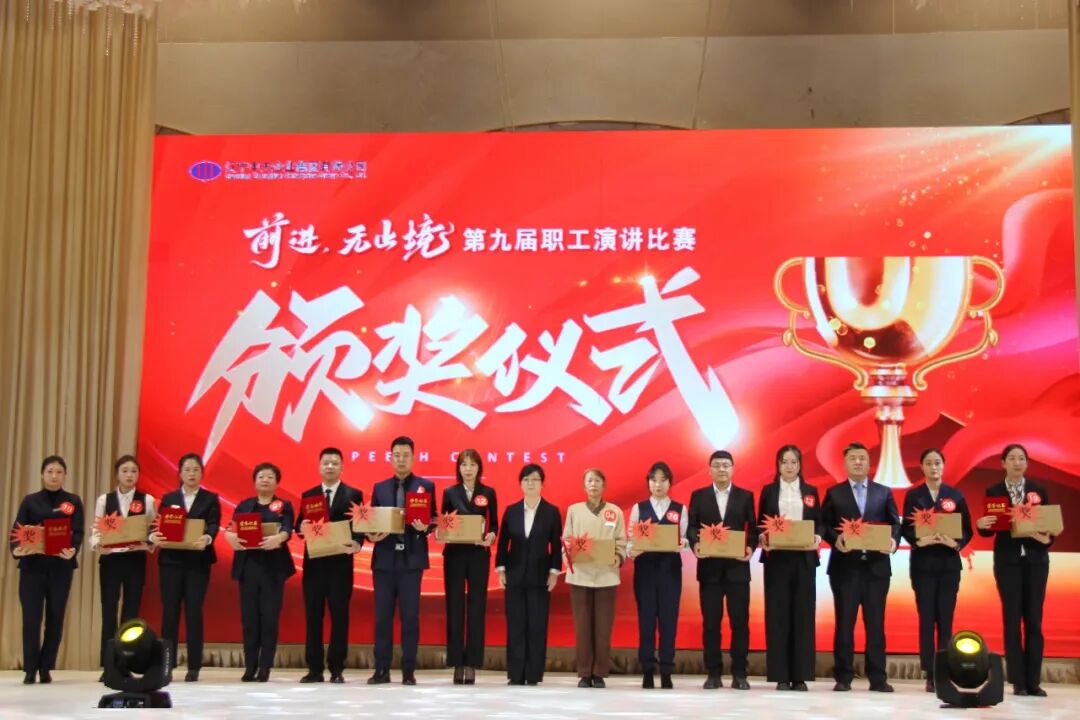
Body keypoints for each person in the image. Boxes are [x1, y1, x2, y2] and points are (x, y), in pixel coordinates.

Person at [975, 443, 1055, 697]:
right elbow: (989, 529)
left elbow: (1050, 527)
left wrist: (1047, 538)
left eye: (1021, 458)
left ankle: (1034, 681)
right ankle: (1018, 681)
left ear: (1027, 463)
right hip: (1007, 562)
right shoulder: (994, 491)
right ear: (1003, 463)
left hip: (1036, 562)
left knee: (1034, 620)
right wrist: (981, 525)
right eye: (1012, 458)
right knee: (1011, 619)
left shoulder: (1038, 491)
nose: (1017, 462)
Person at [821, 442, 900, 693]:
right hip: (845, 568)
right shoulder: (835, 493)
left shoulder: (883, 492)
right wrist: (836, 539)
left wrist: (893, 541)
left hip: (877, 569)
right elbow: (823, 525)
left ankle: (878, 677)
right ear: (845, 463)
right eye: (853, 458)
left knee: (876, 624)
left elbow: (895, 524)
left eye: (862, 458)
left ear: (869, 462)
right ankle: (843, 676)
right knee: (845, 623)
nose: (858, 462)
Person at [901, 448, 973, 692]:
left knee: (945, 619)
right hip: (923, 565)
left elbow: (967, 529)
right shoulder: (914, 496)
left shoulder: (955, 495)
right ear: (922, 467)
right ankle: (929, 672)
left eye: (938, 463)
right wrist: (918, 540)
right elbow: (906, 528)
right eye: (929, 463)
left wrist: (955, 543)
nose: (934, 467)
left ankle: (944, 670)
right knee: (926, 618)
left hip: (948, 565)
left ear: (943, 466)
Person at [366, 436, 436, 686]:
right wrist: (372, 534)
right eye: (397, 455)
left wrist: (426, 527)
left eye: (406, 455)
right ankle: (381, 669)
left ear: (413, 458)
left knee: (410, 617)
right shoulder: (380, 488)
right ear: (391, 458)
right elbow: (371, 521)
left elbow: (433, 518)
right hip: (384, 561)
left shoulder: (425, 486)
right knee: (382, 617)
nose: (401, 459)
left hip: (412, 560)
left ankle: (408, 670)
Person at [9, 455, 84, 685]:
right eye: (50, 471)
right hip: (32, 568)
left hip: (60, 568)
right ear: (42, 474)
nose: (54, 476)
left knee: (55, 618)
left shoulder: (73, 501)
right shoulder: (30, 501)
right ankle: (30, 669)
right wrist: (17, 549)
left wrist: (73, 549)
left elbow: (78, 531)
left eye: (59, 472)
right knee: (31, 619)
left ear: (65, 475)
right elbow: (17, 531)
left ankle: (45, 667)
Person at [687, 450, 758, 690]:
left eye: (726, 465)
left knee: (740, 624)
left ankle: (740, 674)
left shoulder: (745, 496)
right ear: (709, 470)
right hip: (710, 569)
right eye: (717, 465)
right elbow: (692, 527)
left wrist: (750, 547)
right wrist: (695, 544)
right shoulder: (699, 496)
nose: (721, 469)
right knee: (711, 624)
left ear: (733, 469)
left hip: (738, 569)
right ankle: (713, 673)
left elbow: (753, 528)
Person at [148, 452, 221, 682]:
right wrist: (154, 536)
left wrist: (207, 538)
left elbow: (213, 524)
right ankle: (166, 664)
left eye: (196, 469)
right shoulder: (169, 498)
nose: (191, 473)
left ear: (202, 473)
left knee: (194, 611)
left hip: (197, 562)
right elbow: (157, 526)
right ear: (179, 473)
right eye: (187, 469)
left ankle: (194, 666)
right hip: (171, 562)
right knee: (170, 612)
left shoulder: (210, 498)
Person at [294, 447, 364, 683]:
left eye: (334, 463)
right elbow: (299, 527)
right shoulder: (309, 495)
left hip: (340, 566)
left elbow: (360, 527)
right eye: (326, 463)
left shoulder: (354, 494)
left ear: (342, 467)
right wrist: (301, 528)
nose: (330, 467)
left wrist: (357, 543)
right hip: (314, 566)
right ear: (319, 466)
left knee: (340, 617)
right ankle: (314, 669)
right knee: (313, 617)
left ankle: (336, 668)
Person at [756, 445, 822, 691]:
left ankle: (800, 676)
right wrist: (762, 537)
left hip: (804, 559)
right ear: (778, 465)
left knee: (803, 616)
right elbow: (760, 523)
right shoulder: (769, 491)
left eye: (794, 462)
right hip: (777, 560)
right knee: (778, 616)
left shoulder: (811, 492)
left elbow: (820, 523)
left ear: (800, 465)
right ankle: (781, 675)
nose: (789, 466)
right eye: (785, 461)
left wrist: (817, 537)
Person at [225, 462, 296, 682]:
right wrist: (230, 537)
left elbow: (287, 528)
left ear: (277, 482)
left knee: (269, 618)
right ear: (254, 481)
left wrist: (279, 538)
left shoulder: (284, 506)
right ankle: (250, 666)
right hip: (248, 567)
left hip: (273, 568)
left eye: (270, 477)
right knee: (249, 619)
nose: (265, 480)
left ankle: (265, 667)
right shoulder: (245, 505)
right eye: (261, 477)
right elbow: (230, 528)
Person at [495, 463, 562, 686]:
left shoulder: (551, 512)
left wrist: (554, 573)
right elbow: (503, 543)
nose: (530, 483)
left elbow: (556, 546)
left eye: (535, 480)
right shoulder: (511, 511)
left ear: (542, 484)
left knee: (536, 626)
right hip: (514, 575)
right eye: (526, 479)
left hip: (540, 577)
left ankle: (533, 674)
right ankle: (515, 673)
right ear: (520, 484)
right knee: (516, 625)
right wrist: (501, 569)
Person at [89, 455, 156, 678]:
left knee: (131, 613)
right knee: (108, 612)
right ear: (117, 474)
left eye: (133, 471)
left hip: (135, 560)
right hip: (111, 560)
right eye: (125, 471)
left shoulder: (147, 500)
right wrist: (97, 544)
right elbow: (96, 529)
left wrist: (149, 542)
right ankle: (108, 665)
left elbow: (153, 529)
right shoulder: (104, 500)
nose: (129, 475)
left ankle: (126, 664)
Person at [563, 468, 627, 688]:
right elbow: (566, 540)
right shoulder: (574, 510)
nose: (593, 484)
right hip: (579, 576)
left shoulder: (615, 511)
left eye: (597, 480)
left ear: (604, 485)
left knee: (603, 628)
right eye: (589, 481)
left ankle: (599, 672)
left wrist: (618, 556)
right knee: (582, 627)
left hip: (607, 576)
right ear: (584, 486)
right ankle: (584, 673)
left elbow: (621, 541)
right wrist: (568, 555)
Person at [627, 461, 688, 689]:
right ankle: (647, 670)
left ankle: (667, 670)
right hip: (645, 571)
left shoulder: (680, 509)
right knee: (646, 620)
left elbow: (685, 538)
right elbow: (630, 540)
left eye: (663, 480)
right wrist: (632, 550)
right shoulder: (639, 508)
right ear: (648, 483)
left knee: (669, 621)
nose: (658, 484)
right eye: (654, 480)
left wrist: (683, 543)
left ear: (670, 483)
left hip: (670, 572)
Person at [439, 449, 498, 684]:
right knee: (454, 606)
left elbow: (494, 523)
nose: (468, 469)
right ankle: (456, 662)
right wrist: (441, 531)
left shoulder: (488, 492)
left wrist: (491, 536)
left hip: (478, 555)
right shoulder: (449, 492)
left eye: (472, 464)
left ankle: (472, 662)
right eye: (464, 464)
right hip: (454, 555)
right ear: (459, 468)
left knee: (477, 607)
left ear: (479, 468)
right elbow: (444, 521)